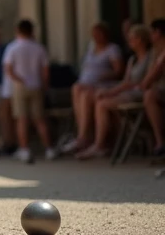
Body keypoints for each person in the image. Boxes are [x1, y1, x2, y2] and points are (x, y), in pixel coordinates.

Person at [79, 23, 153, 160]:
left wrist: (111, 92)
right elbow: (125, 82)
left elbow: (140, 83)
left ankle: (100, 144)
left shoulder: (150, 58)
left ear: (141, 40)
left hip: (140, 93)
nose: (129, 41)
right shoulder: (133, 59)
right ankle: (99, 141)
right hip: (129, 92)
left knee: (102, 104)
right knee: (98, 98)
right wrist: (110, 91)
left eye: (133, 38)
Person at [60, 22, 124, 155]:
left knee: (85, 96)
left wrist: (101, 77)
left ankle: (84, 137)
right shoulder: (91, 48)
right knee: (77, 89)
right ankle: (82, 134)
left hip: (103, 85)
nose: (95, 36)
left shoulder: (112, 49)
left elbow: (118, 71)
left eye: (98, 33)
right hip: (86, 84)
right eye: (93, 34)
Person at [2, 19, 53, 162]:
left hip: (20, 86)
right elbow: (45, 71)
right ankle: (49, 148)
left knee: (21, 119)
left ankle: (24, 149)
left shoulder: (13, 48)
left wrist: (19, 79)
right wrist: (44, 85)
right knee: (39, 118)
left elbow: (8, 69)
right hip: (36, 85)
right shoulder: (39, 48)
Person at [140, 19, 165, 159]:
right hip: (159, 90)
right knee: (149, 95)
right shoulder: (156, 53)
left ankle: (160, 141)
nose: (150, 36)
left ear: (158, 33)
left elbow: (151, 77)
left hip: (160, 90)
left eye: (152, 33)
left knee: (149, 96)